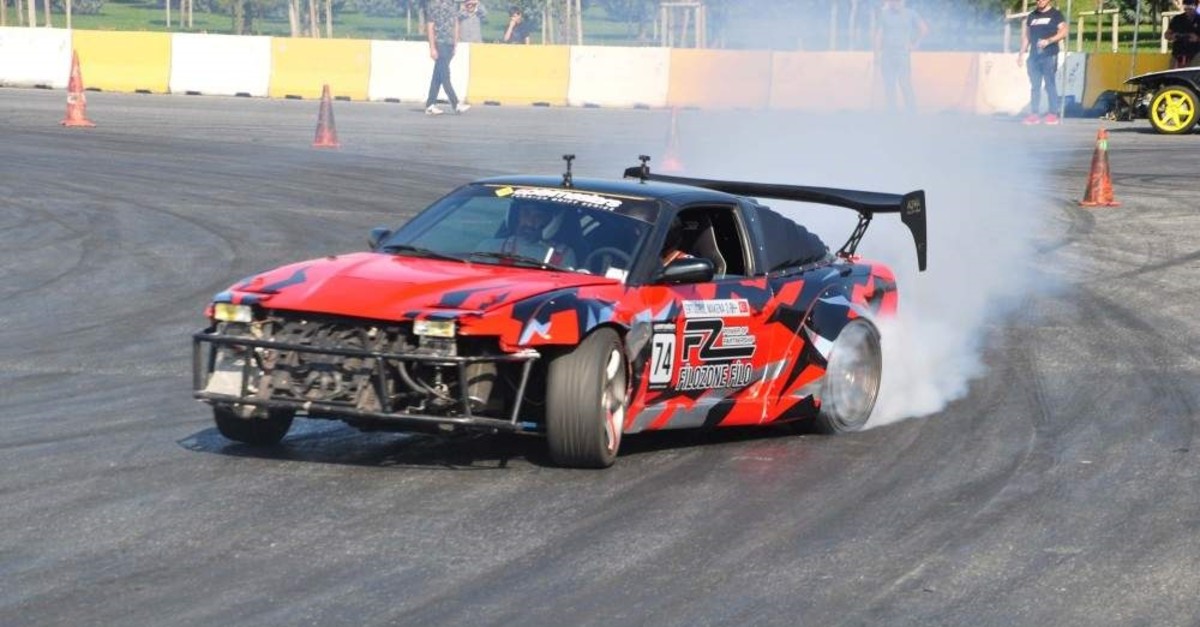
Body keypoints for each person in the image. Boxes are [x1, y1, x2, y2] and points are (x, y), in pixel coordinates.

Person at [475, 201, 577, 268]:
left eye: (538, 216)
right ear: (515, 215)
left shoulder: (563, 255)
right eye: (525, 213)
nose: (529, 222)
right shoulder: (489, 248)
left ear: (551, 222)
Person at [1018, 0, 1068, 125]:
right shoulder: (1032, 16)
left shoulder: (1056, 14)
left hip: (1049, 55)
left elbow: (1064, 32)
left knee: (1049, 84)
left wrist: (1049, 40)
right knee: (1035, 86)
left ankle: (1053, 114)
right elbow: (1027, 37)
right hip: (1034, 56)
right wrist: (1021, 53)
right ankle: (1034, 114)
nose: (1039, 1)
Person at [873, 0, 928, 114]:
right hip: (887, 55)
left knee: (905, 83)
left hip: (902, 55)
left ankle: (912, 113)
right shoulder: (884, 15)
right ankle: (892, 114)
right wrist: (877, 55)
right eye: (894, 1)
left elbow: (924, 29)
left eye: (899, 1)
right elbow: (878, 35)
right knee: (889, 85)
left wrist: (915, 44)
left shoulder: (911, 13)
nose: (896, 3)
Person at [424, 0, 470, 116]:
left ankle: (430, 105)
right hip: (440, 43)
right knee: (445, 76)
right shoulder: (433, 5)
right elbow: (430, 26)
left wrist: (455, 43)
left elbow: (455, 23)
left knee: (438, 77)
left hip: (449, 44)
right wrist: (432, 47)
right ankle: (456, 104)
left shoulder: (452, 4)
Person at [1166, 0, 1200, 69]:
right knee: (1172, 75)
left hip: (1195, 53)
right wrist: (1173, 36)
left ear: (1196, 6)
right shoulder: (1177, 19)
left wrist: (1197, 38)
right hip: (1177, 53)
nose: (1188, 9)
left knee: (1192, 74)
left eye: (1191, 6)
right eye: (1186, 6)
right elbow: (1167, 34)